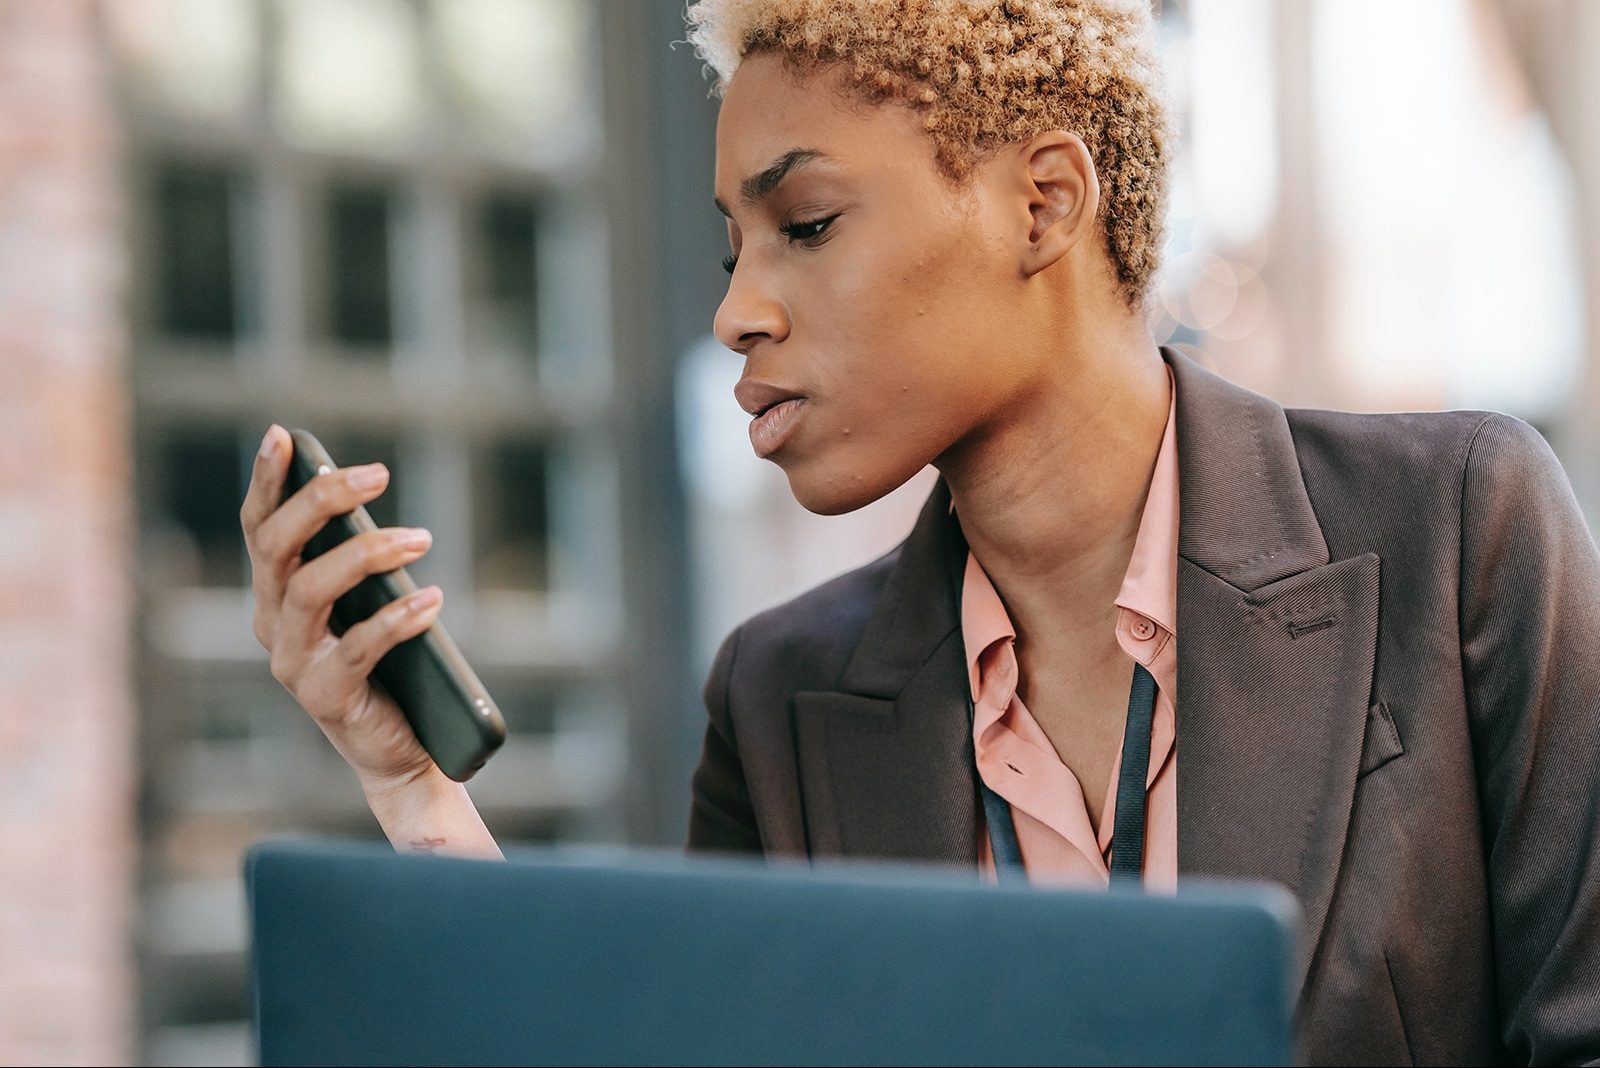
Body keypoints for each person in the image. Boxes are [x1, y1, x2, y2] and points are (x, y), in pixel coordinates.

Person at [239, 0, 1600, 1062]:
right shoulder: (781, 706)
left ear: (1044, 202)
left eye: (807, 223)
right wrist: (417, 792)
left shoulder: (1457, 533)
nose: (739, 311)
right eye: (733, 250)